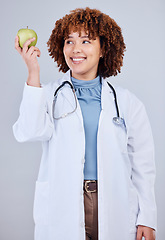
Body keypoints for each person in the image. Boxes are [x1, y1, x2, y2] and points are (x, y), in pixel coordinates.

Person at [13, 7, 157, 240]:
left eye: (86, 41)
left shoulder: (127, 102)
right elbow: (28, 132)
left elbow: (143, 165)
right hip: (64, 200)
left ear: (103, 49)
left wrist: (147, 218)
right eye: (69, 41)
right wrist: (33, 73)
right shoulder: (48, 95)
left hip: (113, 201)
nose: (76, 49)